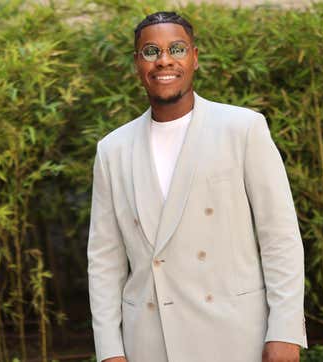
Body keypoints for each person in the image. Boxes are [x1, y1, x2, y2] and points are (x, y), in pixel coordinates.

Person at [87, 11, 307, 362]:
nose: (164, 61)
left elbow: (279, 236)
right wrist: (109, 350)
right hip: (149, 341)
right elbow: (104, 261)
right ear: (137, 64)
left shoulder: (243, 129)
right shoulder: (112, 150)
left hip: (236, 336)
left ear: (195, 58)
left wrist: (285, 331)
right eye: (150, 52)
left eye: (177, 49)